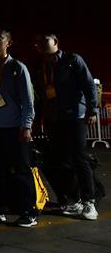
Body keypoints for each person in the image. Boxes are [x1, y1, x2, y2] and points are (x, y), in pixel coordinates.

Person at [32, 33, 99, 221]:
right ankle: (74, 200)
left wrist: (92, 109)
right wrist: (38, 120)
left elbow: (88, 84)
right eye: (38, 42)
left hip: (75, 116)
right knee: (61, 161)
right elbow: (39, 94)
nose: (40, 44)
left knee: (79, 157)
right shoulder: (39, 66)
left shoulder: (72, 60)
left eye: (44, 40)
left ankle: (89, 202)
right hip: (54, 118)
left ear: (56, 42)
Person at [0, 28, 37, 227]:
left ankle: (29, 211)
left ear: (9, 43)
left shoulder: (17, 67)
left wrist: (26, 126)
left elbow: (28, 101)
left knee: (21, 170)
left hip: (13, 128)